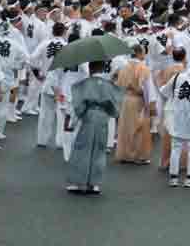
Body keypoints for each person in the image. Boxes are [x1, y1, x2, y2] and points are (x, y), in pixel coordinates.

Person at [66, 59, 124, 194]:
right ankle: (95, 184)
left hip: (89, 116)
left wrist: (76, 117)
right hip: (103, 117)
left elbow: (79, 105)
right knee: (99, 149)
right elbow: (115, 106)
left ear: (90, 68)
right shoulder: (109, 85)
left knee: (83, 148)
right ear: (103, 68)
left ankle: (78, 182)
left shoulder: (84, 84)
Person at [159, 61, 190, 188]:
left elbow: (164, 91)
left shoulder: (177, 77)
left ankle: (173, 178)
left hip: (178, 116)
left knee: (176, 147)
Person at [113, 44, 155, 164]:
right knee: (139, 128)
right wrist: (150, 105)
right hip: (138, 100)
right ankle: (137, 155)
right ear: (139, 53)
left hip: (126, 99)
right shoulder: (143, 68)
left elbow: (118, 84)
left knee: (125, 127)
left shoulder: (124, 67)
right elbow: (148, 89)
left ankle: (125, 154)